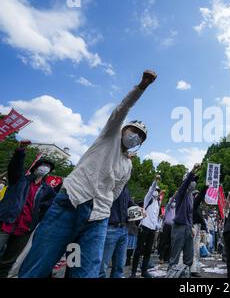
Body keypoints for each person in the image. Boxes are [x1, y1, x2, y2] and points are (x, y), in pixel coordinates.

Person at [20, 70, 157, 278]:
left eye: (140, 137)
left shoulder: (127, 165)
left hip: (98, 219)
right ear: (123, 129)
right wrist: (142, 86)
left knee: (84, 271)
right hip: (70, 204)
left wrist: (104, 204)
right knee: (40, 263)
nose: (135, 136)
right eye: (133, 131)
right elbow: (122, 109)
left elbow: (116, 191)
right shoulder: (109, 136)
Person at [0, 140, 56, 278]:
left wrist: (36, 219)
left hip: (24, 229)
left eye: (48, 166)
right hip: (6, 223)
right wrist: (21, 151)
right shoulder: (19, 179)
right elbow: (15, 166)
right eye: (42, 165)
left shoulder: (47, 190)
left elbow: (49, 207)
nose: (44, 168)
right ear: (35, 167)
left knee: (8, 261)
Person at [167, 164, 201, 277]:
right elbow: (185, 183)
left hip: (187, 227)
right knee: (175, 256)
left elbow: (190, 214)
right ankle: (171, 275)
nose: (194, 183)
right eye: (192, 180)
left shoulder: (191, 197)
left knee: (189, 256)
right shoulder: (181, 193)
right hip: (179, 227)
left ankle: (186, 275)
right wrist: (193, 170)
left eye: (194, 181)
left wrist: (191, 227)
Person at [99, 184, 137, 278]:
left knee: (119, 266)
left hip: (124, 229)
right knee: (103, 266)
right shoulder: (111, 184)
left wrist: (140, 209)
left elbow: (130, 203)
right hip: (110, 228)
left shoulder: (126, 189)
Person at [130, 175, 162, 278]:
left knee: (148, 251)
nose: (156, 191)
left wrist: (157, 226)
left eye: (158, 190)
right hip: (144, 226)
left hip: (152, 229)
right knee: (138, 250)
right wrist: (155, 181)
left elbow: (155, 217)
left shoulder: (157, 203)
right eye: (155, 190)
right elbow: (152, 188)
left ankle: (144, 271)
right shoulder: (148, 198)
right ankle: (133, 272)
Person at [192, 186, 208, 277]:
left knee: (197, 250)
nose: (198, 195)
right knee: (193, 249)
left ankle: (194, 268)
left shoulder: (198, 207)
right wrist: (205, 187)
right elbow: (200, 197)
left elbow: (201, 218)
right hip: (193, 227)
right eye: (196, 194)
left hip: (197, 227)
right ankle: (192, 269)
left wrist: (204, 227)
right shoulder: (194, 203)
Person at [158, 192, 177, 264]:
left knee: (171, 243)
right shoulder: (168, 207)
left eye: (175, 202)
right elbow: (170, 202)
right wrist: (175, 195)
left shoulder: (176, 208)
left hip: (173, 227)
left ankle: (168, 257)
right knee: (164, 242)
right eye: (173, 201)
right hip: (166, 226)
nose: (174, 203)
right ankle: (161, 258)